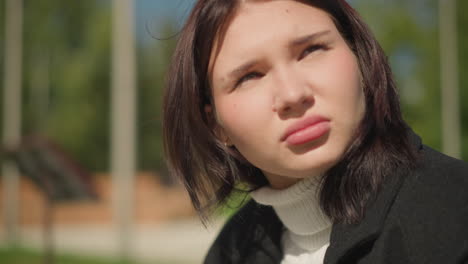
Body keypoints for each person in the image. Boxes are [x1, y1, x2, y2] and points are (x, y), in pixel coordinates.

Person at [162, 0, 468, 263]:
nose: (293, 94)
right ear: (216, 124)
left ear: (358, 55)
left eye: (311, 50)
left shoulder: (454, 210)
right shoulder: (232, 251)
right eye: (249, 76)